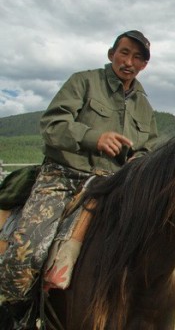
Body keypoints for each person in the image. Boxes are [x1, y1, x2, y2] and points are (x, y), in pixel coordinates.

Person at [0, 30, 159, 326]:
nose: (129, 62)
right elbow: (51, 125)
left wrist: (141, 159)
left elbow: (148, 144)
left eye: (138, 57)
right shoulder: (84, 81)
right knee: (28, 251)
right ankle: (15, 313)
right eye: (124, 53)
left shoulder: (144, 105)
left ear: (144, 66)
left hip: (112, 185)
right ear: (111, 54)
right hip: (63, 176)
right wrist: (92, 138)